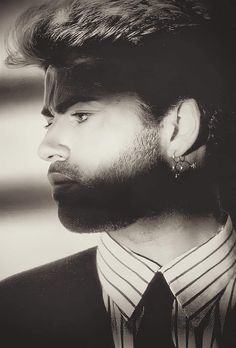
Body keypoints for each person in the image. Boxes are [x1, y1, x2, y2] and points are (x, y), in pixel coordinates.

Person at [1, 0, 236, 347]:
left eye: (81, 115)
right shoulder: (11, 314)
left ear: (178, 129)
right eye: (50, 120)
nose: (47, 147)